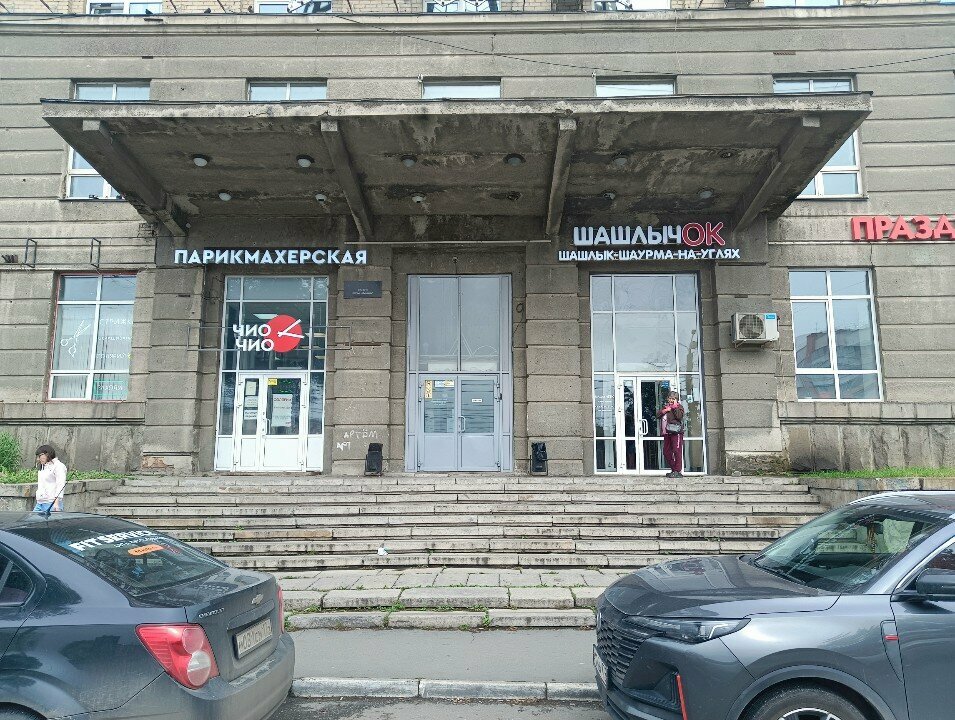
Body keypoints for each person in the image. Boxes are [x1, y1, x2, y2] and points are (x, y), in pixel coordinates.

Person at [658, 391, 685, 479]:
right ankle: (674, 469)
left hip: (676, 433)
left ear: (676, 399)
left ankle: (678, 471)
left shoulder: (679, 407)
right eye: (670, 398)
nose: (671, 400)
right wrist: (665, 410)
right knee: (666, 452)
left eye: (673, 399)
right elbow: (658, 415)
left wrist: (674, 407)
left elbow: (679, 417)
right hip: (666, 433)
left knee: (676, 451)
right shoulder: (666, 407)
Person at [34, 444, 67, 513]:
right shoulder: (43, 466)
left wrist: (56, 503)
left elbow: (60, 484)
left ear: (47, 454)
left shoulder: (58, 466)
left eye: (40, 456)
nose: (38, 459)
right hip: (40, 502)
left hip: (51, 503)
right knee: (32, 518)